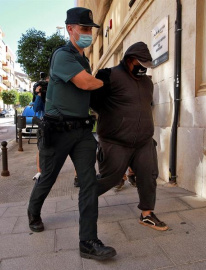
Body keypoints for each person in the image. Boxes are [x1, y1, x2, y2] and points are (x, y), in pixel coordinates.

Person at [27, 7, 116, 260]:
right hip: (57, 131)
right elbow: (86, 83)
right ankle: (33, 212)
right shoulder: (62, 55)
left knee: (88, 183)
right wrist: (109, 81)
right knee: (48, 177)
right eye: (84, 28)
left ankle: (88, 242)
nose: (88, 33)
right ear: (70, 29)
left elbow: (87, 91)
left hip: (82, 132)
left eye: (90, 29)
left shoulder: (83, 59)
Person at [91, 41, 168, 231]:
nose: (143, 69)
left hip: (143, 141)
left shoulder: (147, 82)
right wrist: (117, 119)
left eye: (146, 66)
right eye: (140, 65)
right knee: (110, 178)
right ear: (129, 60)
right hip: (115, 141)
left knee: (148, 176)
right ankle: (86, 198)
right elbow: (94, 103)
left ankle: (147, 214)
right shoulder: (108, 75)